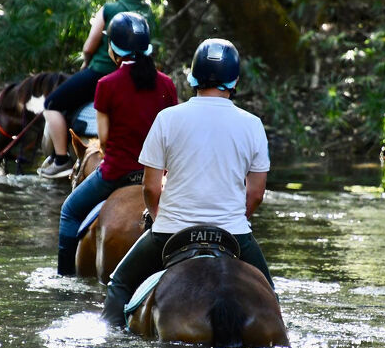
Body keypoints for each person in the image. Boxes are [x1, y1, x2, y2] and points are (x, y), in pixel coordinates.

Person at [101, 38, 275, 327]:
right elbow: (256, 193)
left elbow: (152, 187)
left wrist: (159, 218)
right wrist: (233, 219)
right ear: (234, 81)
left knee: (118, 284)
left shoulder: (167, 118)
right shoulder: (252, 124)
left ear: (193, 77)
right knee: (269, 294)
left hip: (171, 231)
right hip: (232, 232)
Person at [57, 11, 178, 276]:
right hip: (159, 176)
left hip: (116, 174)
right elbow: (174, 136)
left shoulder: (106, 84)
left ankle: (64, 282)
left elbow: (105, 139)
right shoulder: (167, 84)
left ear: (112, 48)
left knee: (69, 212)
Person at [40, 0, 157, 178]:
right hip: (142, 72)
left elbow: (89, 46)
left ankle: (61, 159)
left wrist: (85, 61)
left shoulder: (110, 9)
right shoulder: (148, 12)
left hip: (101, 71)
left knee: (51, 104)